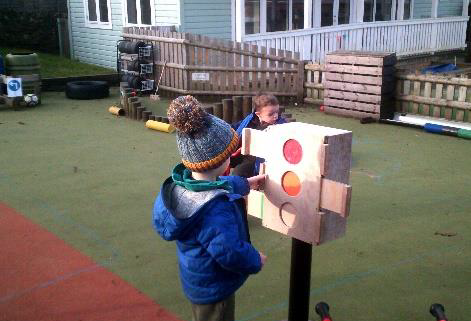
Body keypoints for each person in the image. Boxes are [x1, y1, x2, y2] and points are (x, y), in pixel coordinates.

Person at [152, 95, 267, 321]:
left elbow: (212, 185)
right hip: (215, 288)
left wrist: (244, 184)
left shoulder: (182, 184)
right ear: (223, 161)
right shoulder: (213, 209)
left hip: (198, 278)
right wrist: (255, 259)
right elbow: (229, 251)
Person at [230, 94, 286, 178]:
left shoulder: (281, 124)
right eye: (271, 114)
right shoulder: (250, 119)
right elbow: (238, 127)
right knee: (237, 173)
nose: (275, 116)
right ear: (258, 114)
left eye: (277, 112)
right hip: (247, 156)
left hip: (266, 160)